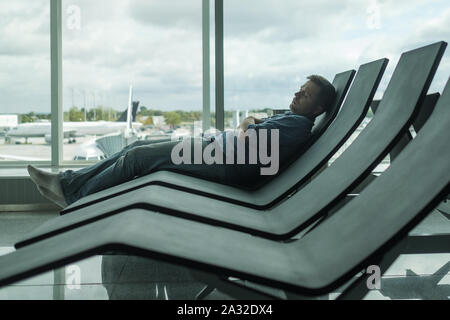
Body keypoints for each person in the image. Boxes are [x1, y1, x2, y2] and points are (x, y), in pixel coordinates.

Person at [28, 75, 336, 208]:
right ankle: (68, 184)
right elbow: (254, 128)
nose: (297, 94)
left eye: (305, 94)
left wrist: (248, 121)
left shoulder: (296, 125)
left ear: (318, 108)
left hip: (223, 161)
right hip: (219, 152)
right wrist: (252, 122)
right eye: (299, 88)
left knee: (136, 159)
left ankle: (75, 198)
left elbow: (248, 135)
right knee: (135, 149)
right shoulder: (293, 120)